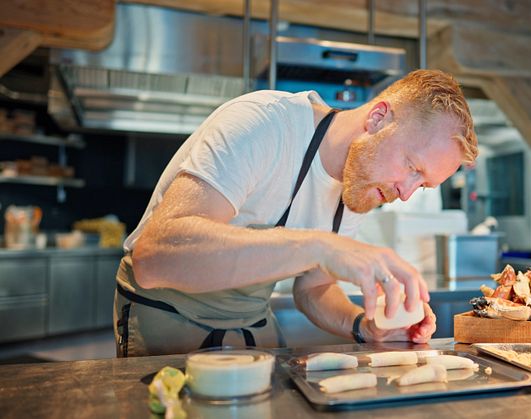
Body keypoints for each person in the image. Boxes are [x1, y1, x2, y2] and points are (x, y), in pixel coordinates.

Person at [113, 69, 478, 357]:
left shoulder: (362, 183)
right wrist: (319, 245)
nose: (406, 193)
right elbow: (155, 258)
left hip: (252, 323)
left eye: (423, 185)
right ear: (378, 118)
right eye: (412, 167)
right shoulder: (265, 123)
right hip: (163, 317)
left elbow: (313, 288)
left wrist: (364, 325)